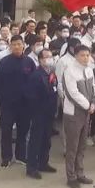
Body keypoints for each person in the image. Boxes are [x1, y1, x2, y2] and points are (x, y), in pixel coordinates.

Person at [0, 35, 32, 167]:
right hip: (8, 104)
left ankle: (21, 155)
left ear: (23, 45)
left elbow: (33, 81)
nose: (16, 47)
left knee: (23, 131)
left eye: (19, 44)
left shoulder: (29, 62)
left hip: (25, 104)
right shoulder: (4, 62)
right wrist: (3, 99)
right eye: (14, 44)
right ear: (10, 46)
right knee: (6, 131)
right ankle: (6, 157)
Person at [62, 45, 95, 188]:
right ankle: (71, 177)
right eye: (82, 55)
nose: (86, 58)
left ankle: (80, 173)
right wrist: (88, 105)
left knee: (82, 145)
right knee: (72, 147)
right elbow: (73, 93)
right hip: (74, 113)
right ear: (76, 55)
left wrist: (94, 102)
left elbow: (94, 87)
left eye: (87, 55)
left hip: (86, 112)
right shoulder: (70, 71)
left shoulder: (89, 69)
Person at [24, 48, 59, 179]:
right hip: (39, 113)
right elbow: (31, 96)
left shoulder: (51, 73)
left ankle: (43, 163)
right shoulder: (36, 75)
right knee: (36, 140)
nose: (49, 59)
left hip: (49, 112)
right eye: (46, 57)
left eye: (51, 57)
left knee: (46, 140)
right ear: (40, 60)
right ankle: (32, 167)